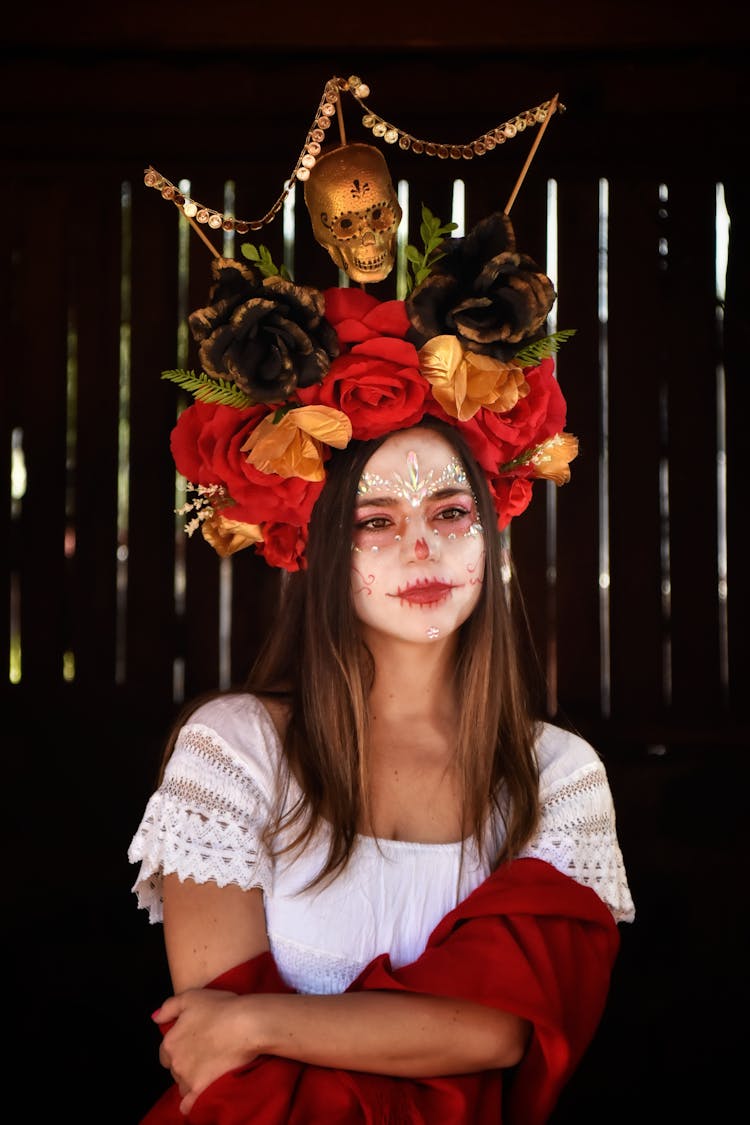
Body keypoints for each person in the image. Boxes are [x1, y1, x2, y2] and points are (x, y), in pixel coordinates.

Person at [128, 189, 635, 1124]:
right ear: (317, 550)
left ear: (493, 537)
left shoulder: (557, 775)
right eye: (376, 520)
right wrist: (251, 1033)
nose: (422, 549)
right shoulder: (234, 752)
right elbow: (218, 1062)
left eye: (450, 514)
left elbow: (503, 1031)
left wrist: (262, 1024)